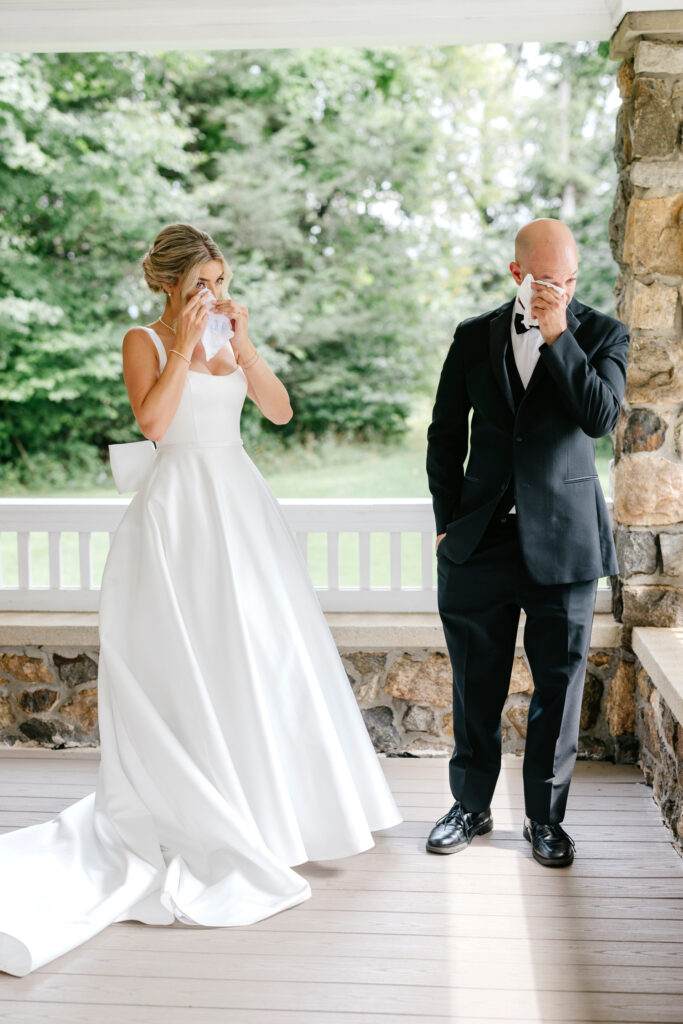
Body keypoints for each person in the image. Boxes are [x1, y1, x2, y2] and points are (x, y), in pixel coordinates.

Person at [0, 222, 401, 976]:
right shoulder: (144, 340)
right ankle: (195, 811)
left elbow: (278, 412)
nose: (212, 296)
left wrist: (242, 344)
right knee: (186, 665)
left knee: (259, 660)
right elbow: (151, 424)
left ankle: (269, 814)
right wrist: (184, 342)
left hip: (240, 511)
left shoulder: (229, 335)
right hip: (176, 515)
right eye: (199, 286)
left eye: (218, 282)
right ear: (168, 285)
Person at [425, 219, 629, 867]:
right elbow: (442, 436)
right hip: (478, 542)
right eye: (545, 282)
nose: (557, 291)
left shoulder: (602, 334)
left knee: (558, 686)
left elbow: (598, 418)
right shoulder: (471, 336)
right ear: (517, 274)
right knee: (474, 683)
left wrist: (557, 333)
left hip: (564, 545)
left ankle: (545, 820)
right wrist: (444, 520)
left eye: (568, 281)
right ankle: (469, 806)